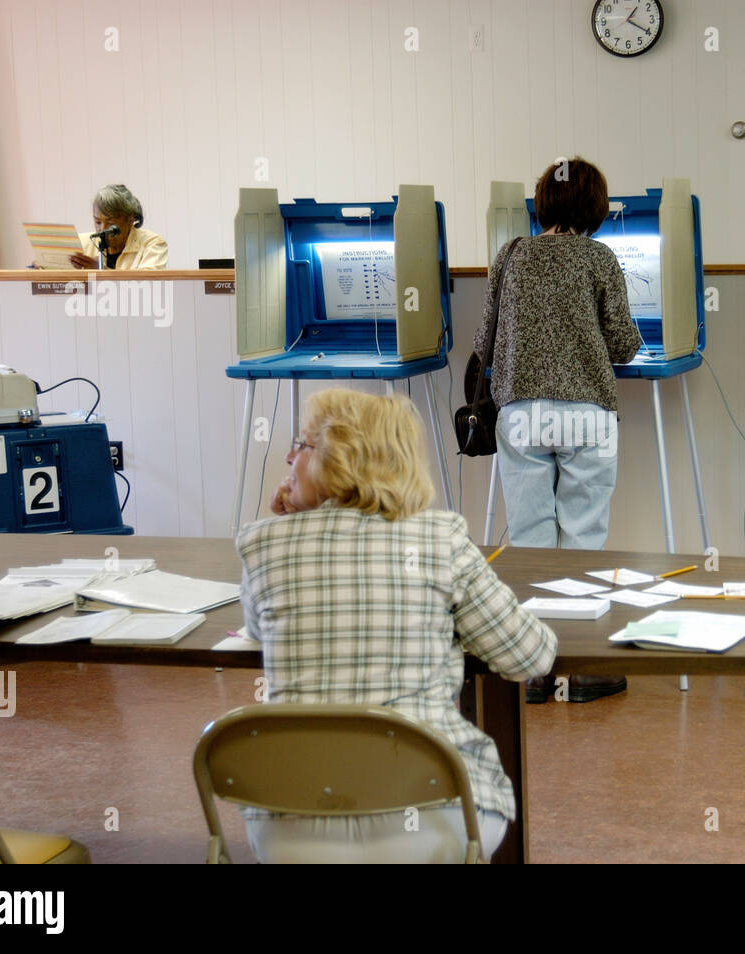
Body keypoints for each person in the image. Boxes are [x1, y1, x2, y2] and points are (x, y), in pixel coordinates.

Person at [236, 388, 556, 863]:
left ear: (339, 458)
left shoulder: (261, 542)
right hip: (429, 819)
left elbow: (260, 633)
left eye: (301, 445)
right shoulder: (439, 537)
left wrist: (287, 527)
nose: (287, 455)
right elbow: (528, 658)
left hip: (292, 827)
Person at [473, 156, 640, 703]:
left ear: (542, 201)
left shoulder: (511, 254)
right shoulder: (599, 258)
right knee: (583, 538)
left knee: (530, 541)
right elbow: (622, 342)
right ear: (595, 207)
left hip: (521, 411)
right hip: (586, 412)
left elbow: (485, 338)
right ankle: (578, 667)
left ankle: (534, 673)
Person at [69, 184, 168, 269]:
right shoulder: (79, 243)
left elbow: (148, 285)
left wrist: (100, 271)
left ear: (130, 219)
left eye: (111, 223)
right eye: (98, 222)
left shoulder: (152, 243)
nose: (102, 230)